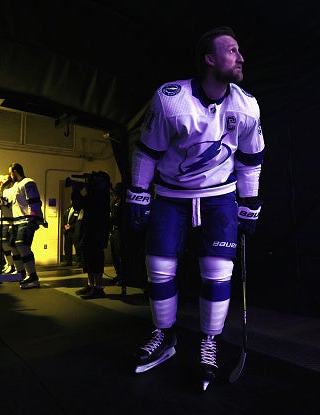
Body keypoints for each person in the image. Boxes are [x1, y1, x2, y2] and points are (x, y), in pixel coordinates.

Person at [126, 26, 265, 389]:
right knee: (158, 267)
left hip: (220, 195)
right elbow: (148, 151)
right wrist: (138, 192)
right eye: (232, 51)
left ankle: (209, 342)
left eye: (239, 51)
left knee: (218, 271)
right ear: (209, 59)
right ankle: (166, 336)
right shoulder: (171, 99)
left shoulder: (246, 106)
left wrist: (250, 201)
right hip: (172, 194)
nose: (241, 58)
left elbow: (251, 159)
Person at [69, 171, 111, 299]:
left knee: (95, 259)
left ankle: (98, 287)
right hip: (90, 231)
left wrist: (77, 190)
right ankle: (91, 285)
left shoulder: (100, 195)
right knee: (88, 258)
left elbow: (82, 204)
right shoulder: (97, 193)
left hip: (96, 232)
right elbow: (80, 205)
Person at [7, 162, 45, 289]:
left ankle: (33, 277)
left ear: (15, 172)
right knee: (13, 245)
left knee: (22, 245)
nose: (9, 176)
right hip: (16, 221)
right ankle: (21, 273)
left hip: (26, 220)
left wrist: (34, 219)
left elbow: (34, 201)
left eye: (10, 173)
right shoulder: (16, 185)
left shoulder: (28, 183)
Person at [109, 182, 124, 285]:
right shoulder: (113, 202)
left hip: (119, 231)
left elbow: (118, 217)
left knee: (120, 254)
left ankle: (123, 276)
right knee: (114, 255)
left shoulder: (123, 202)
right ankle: (118, 274)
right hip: (113, 231)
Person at [61, 200, 78, 266]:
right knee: (67, 246)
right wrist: (64, 226)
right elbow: (64, 218)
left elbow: (78, 222)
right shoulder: (68, 209)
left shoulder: (78, 210)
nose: (72, 202)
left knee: (77, 246)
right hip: (67, 231)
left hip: (74, 231)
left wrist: (71, 226)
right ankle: (68, 261)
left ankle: (79, 261)